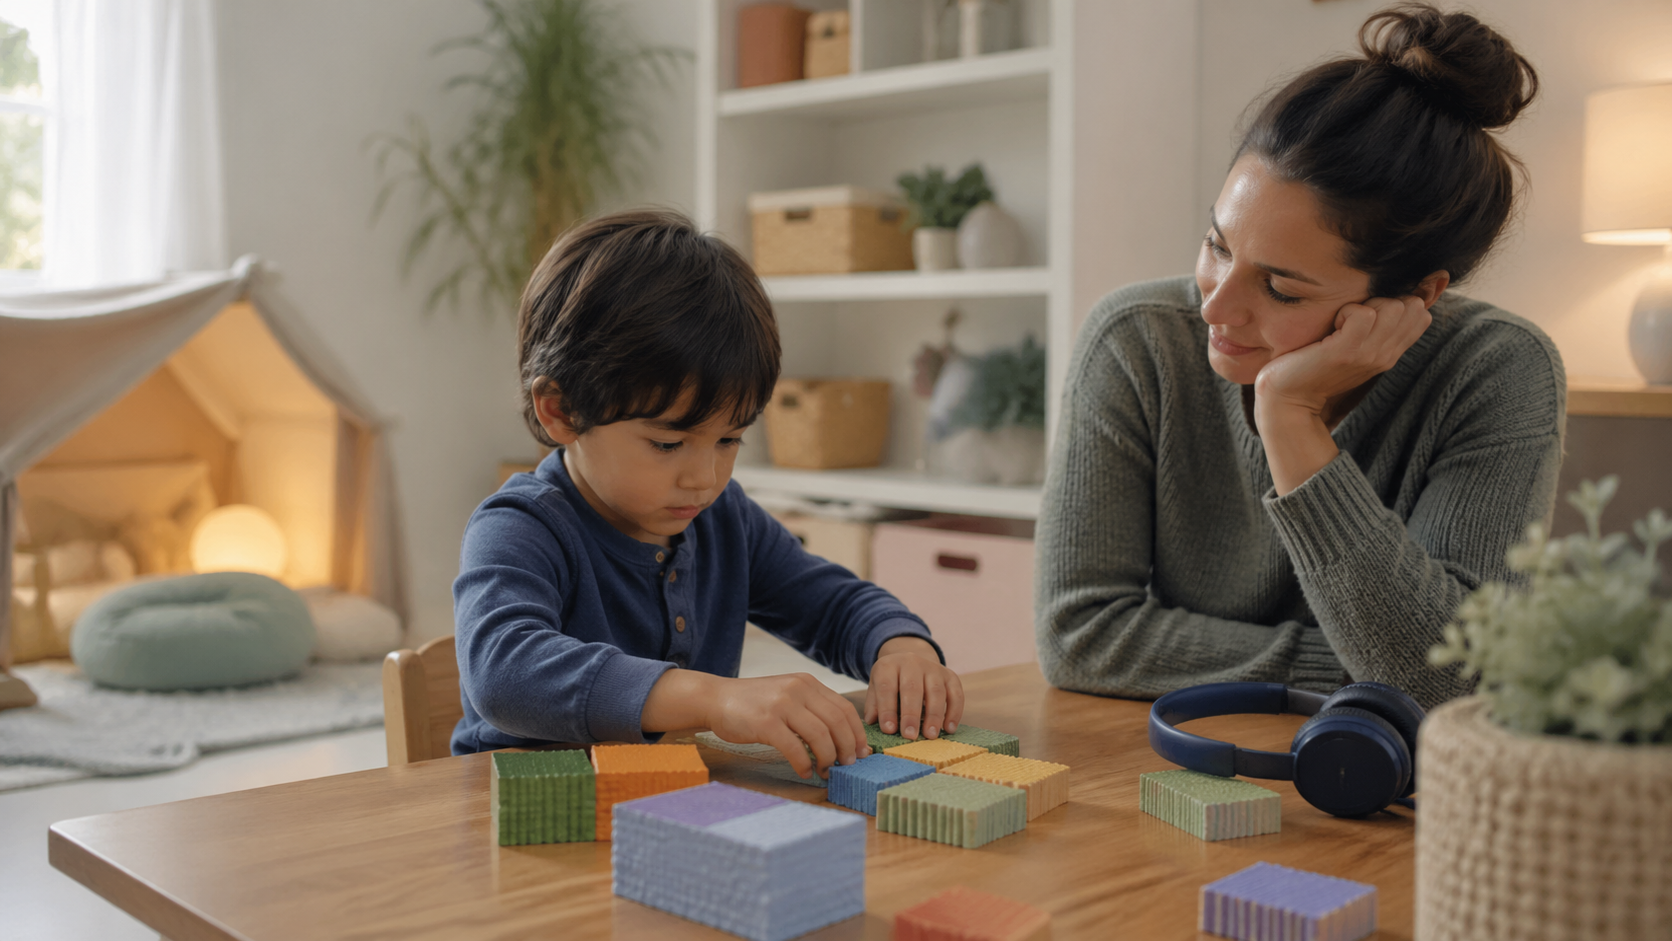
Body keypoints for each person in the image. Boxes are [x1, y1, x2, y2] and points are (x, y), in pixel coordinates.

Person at [1035, 3, 1560, 709]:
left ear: (1416, 293)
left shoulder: (1496, 370)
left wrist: (1291, 417)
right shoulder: (1137, 342)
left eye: (1280, 288)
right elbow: (1081, 634)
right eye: (1217, 244)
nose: (1215, 308)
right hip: (1168, 761)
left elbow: (1453, 682)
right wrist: (1356, 671)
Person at [450, 209, 962, 777]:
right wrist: (714, 698)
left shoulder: (721, 518)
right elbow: (503, 674)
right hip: (526, 826)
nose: (705, 477)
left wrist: (901, 647)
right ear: (562, 411)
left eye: (729, 439)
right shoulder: (520, 525)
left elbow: (832, 604)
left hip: (667, 808)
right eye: (668, 443)